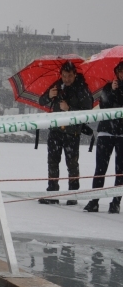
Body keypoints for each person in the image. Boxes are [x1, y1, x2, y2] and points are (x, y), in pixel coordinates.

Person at [37, 61, 93, 205]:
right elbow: (41, 101)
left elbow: (87, 110)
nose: (66, 79)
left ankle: (73, 195)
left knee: (72, 164)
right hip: (55, 131)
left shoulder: (82, 89)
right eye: (64, 76)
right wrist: (49, 95)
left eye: (69, 76)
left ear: (75, 74)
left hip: (72, 133)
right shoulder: (57, 85)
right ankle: (52, 193)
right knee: (52, 162)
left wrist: (70, 109)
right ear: (60, 75)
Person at [85, 61, 123, 214]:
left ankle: (115, 202)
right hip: (106, 132)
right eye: (120, 71)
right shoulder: (108, 87)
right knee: (100, 168)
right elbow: (104, 106)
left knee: (120, 171)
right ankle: (94, 200)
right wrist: (113, 91)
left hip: (122, 134)